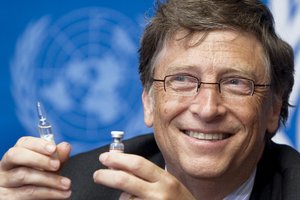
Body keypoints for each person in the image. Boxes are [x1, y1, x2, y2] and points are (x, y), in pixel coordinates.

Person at [1, 0, 299, 199]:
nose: (207, 109)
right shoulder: (73, 187)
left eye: (236, 83)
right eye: (181, 80)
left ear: (273, 107)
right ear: (149, 102)